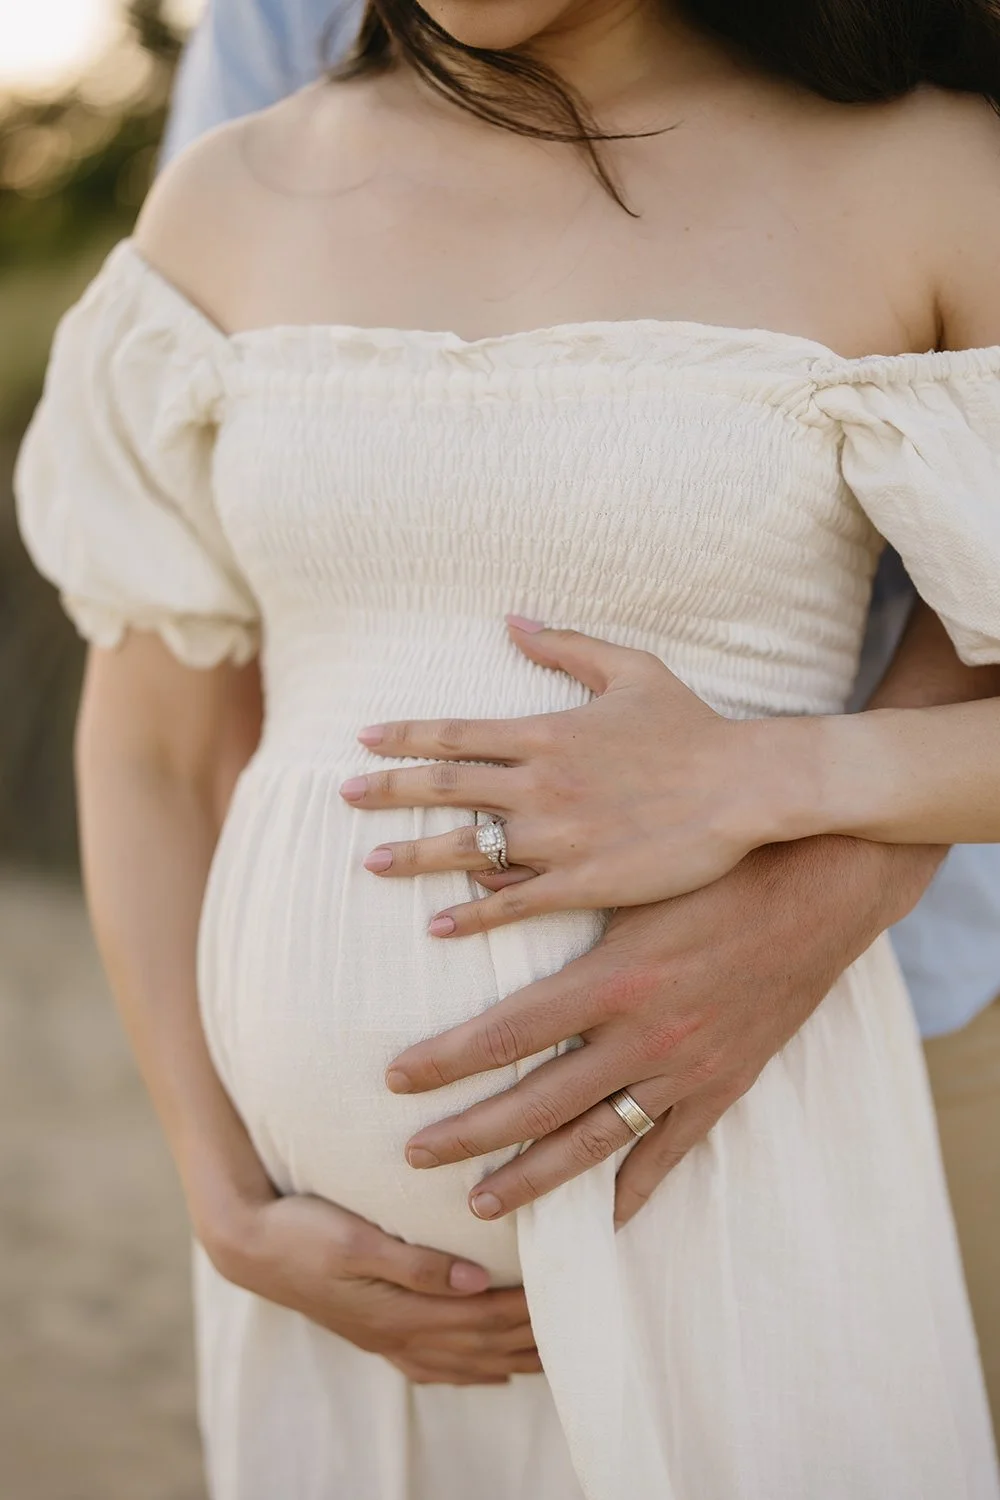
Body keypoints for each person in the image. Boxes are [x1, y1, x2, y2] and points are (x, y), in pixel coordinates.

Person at [14, 1, 1000, 1495]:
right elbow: (148, 747)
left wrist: (777, 777)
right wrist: (220, 1198)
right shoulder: (231, 191)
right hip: (321, 1275)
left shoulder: (923, 173)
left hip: (741, 1185)